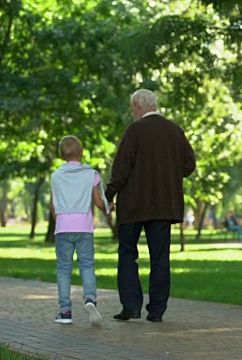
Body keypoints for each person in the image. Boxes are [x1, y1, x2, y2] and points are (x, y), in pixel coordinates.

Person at [106, 89, 196, 323]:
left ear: (137, 106)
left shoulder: (135, 130)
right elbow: (189, 164)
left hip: (134, 204)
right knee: (160, 258)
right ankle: (156, 311)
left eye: (131, 108)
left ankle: (131, 306)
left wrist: (110, 192)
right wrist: (169, 175)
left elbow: (122, 166)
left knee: (128, 254)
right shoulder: (174, 131)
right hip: (164, 206)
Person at [49, 135, 109, 325]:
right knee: (87, 266)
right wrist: (109, 209)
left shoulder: (56, 176)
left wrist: (58, 220)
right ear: (82, 153)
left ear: (61, 155)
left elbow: (53, 204)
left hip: (63, 228)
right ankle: (90, 298)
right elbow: (99, 201)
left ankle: (65, 311)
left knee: (64, 269)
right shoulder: (91, 174)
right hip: (84, 228)